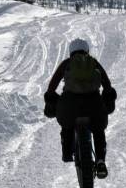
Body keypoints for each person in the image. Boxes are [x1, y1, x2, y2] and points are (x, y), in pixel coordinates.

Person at [43, 38, 117, 179]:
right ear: (86, 50)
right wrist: (107, 99)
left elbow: (52, 86)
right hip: (94, 103)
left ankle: (66, 152)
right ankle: (100, 160)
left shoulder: (67, 63)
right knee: (98, 130)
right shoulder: (93, 62)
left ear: (71, 51)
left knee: (67, 123)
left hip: (70, 103)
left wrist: (51, 99)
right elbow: (107, 84)